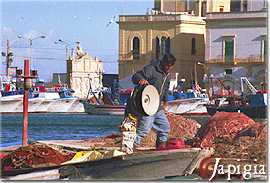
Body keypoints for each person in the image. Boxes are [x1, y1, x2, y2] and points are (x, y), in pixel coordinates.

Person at [131, 53, 176, 149]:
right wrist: (141, 79)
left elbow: (166, 89)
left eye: (170, 66)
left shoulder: (167, 75)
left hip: (158, 106)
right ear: (163, 62)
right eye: (167, 65)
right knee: (144, 130)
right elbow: (135, 76)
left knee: (165, 128)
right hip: (148, 106)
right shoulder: (151, 69)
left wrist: (165, 101)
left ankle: (160, 148)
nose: (168, 68)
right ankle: (130, 147)